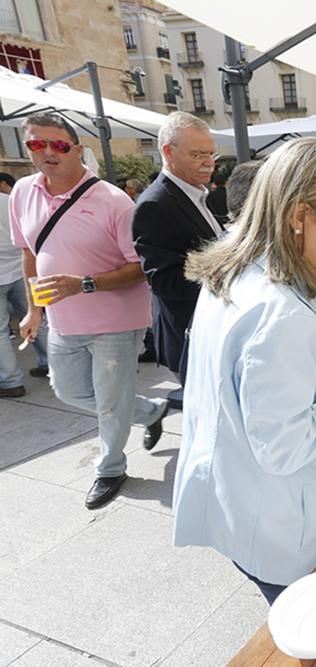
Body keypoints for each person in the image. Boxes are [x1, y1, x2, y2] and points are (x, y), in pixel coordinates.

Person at [173, 138, 316, 604]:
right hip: (282, 524)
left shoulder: (237, 273)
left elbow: (247, 357)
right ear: (299, 215)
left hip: (239, 502)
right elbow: (283, 445)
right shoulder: (281, 315)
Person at [11, 112, 168, 509]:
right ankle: (150, 411)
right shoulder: (23, 193)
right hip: (62, 321)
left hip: (116, 320)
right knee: (68, 390)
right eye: (36, 144)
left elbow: (139, 268)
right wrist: (34, 311)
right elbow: (31, 255)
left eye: (59, 145)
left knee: (111, 405)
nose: (48, 152)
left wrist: (82, 284)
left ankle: (110, 468)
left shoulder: (113, 200)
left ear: (78, 150)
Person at [132, 112, 224, 410]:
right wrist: (231, 276)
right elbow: (163, 280)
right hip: (190, 336)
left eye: (210, 153)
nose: (208, 161)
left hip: (210, 329)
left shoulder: (195, 194)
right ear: (167, 152)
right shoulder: (155, 204)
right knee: (210, 415)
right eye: (197, 154)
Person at [1, 172, 48, 397]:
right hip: (20, 268)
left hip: (13, 269)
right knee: (36, 316)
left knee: (1, 331)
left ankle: (10, 381)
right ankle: (52, 363)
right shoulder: (8, 200)